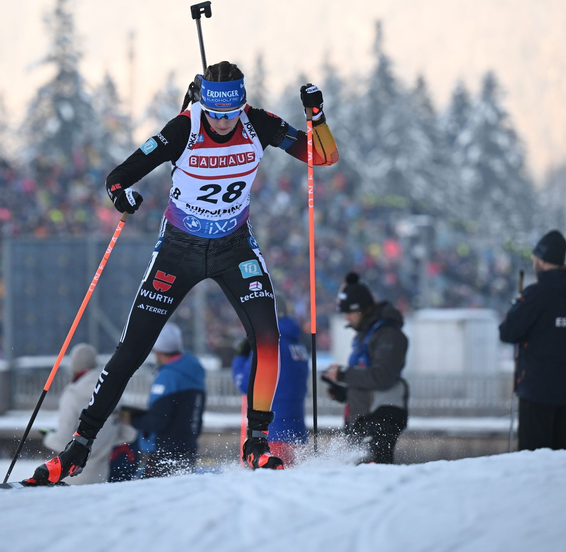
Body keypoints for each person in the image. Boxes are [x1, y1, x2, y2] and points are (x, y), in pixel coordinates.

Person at [30, 61, 339, 483]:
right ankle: (78, 448)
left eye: (232, 113)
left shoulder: (259, 123)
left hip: (234, 247)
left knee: (268, 338)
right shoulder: (184, 127)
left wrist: (316, 117)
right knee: (132, 350)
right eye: (216, 113)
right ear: (205, 105)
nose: (225, 122)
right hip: (179, 250)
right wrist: (122, 198)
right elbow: (119, 176)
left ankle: (257, 442)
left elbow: (322, 156)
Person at [499, 229, 566, 451]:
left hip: (535, 390)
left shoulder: (536, 295)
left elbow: (508, 332)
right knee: (557, 458)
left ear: (542, 260)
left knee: (533, 459)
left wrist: (516, 308)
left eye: (534, 260)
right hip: (565, 390)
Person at [323, 272, 408, 464]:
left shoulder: (388, 334)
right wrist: (343, 391)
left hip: (381, 417)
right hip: (363, 417)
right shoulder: (366, 335)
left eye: (349, 313)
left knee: (373, 473)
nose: (346, 318)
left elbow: (382, 376)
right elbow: (366, 379)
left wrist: (344, 374)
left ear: (361, 309)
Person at [43, 343, 137, 484]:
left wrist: (47, 437)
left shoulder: (72, 395)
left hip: (72, 479)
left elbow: (62, 440)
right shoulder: (113, 393)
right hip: (100, 477)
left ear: (73, 365)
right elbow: (127, 434)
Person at [232, 297, 308, 466]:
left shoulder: (270, 342)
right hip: (297, 434)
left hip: (273, 434)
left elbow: (246, 385)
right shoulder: (296, 342)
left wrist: (239, 358)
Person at [123, 323, 206, 477]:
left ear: (158, 350)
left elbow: (157, 421)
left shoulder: (168, 377)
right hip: (188, 446)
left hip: (164, 451)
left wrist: (130, 419)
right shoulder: (193, 370)